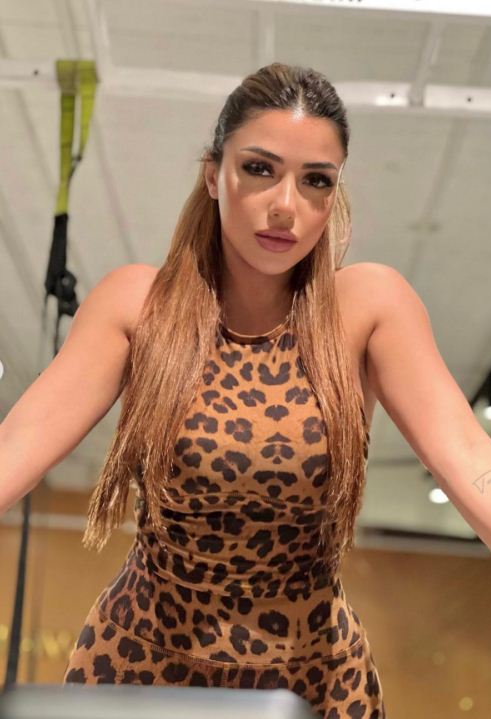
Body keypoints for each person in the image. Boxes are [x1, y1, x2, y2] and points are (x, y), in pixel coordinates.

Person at [59, 62, 386, 718]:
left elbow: (474, 463)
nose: (286, 204)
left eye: (316, 180)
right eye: (259, 168)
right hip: (142, 670)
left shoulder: (367, 307)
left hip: (313, 682)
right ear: (214, 175)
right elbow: (16, 447)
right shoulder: (140, 304)